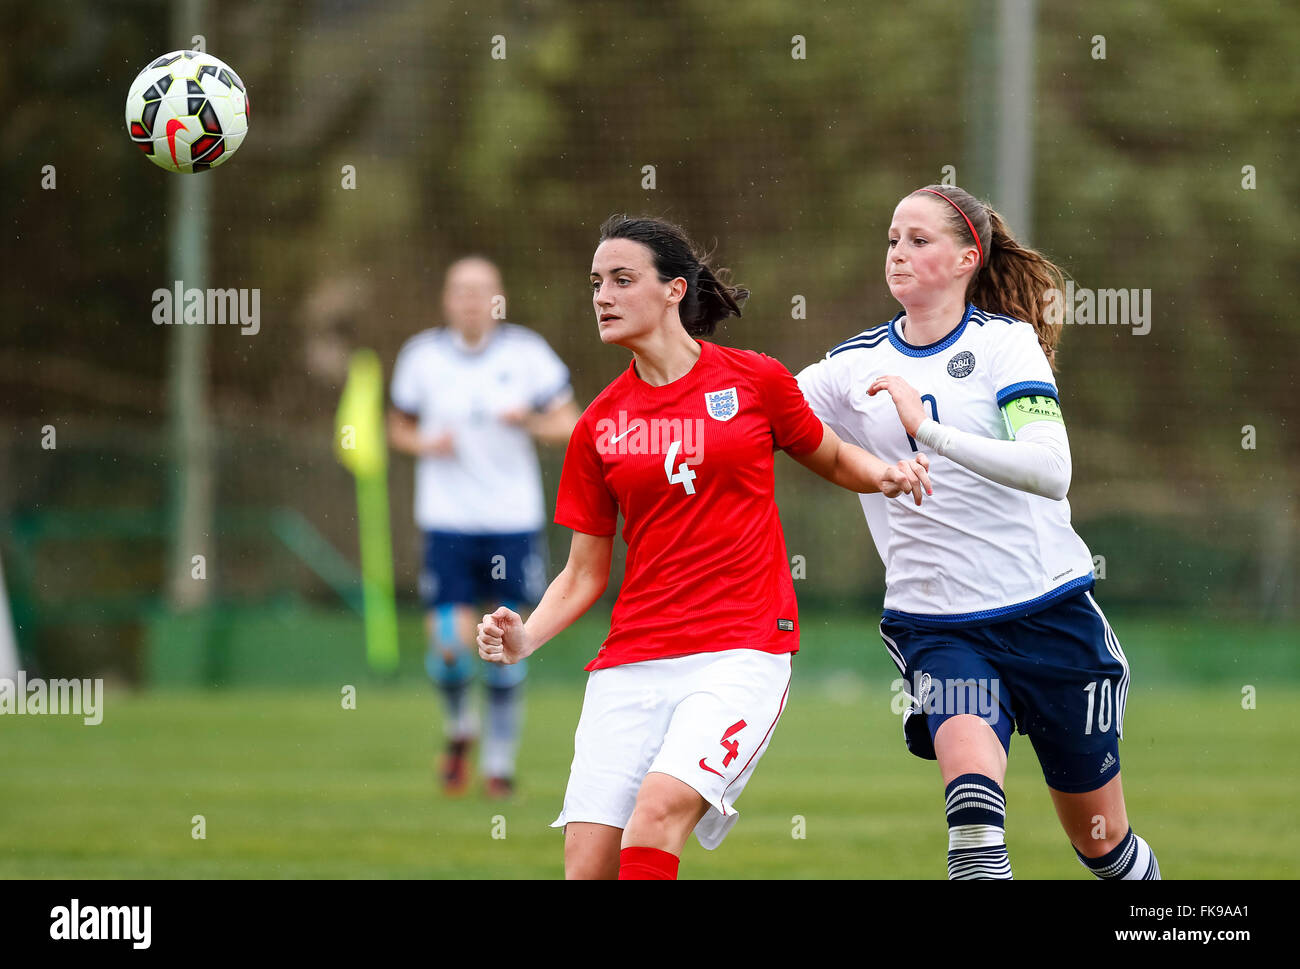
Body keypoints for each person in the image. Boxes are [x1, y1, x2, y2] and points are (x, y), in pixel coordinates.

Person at [476, 215, 932, 879]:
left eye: (622, 279)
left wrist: (882, 473)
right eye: (596, 281)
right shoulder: (597, 425)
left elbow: (830, 454)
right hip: (632, 658)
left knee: (658, 810)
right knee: (587, 863)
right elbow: (582, 573)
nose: (602, 294)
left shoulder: (754, 381)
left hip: (740, 651)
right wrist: (525, 639)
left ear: (673, 290)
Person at [796, 184, 1159, 880]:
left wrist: (925, 431)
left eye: (918, 239)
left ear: (967, 257)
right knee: (972, 821)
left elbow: (1053, 469)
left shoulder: (1006, 345)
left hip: (1050, 614)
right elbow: (760, 414)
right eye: (892, 238)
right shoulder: (849, 366)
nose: (898, 252)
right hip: (939, 626)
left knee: (1102, 845)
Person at [388, 256, 579, 797]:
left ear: (499, 298)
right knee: (449, 645)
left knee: (502, 644)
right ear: (447, 299)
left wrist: (531, 420)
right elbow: (396, 428)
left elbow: (571, 423)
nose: (472, 301)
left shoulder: (528, 354)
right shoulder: (421, 357)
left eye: (482, 291)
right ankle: (459, 730)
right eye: (461, 291)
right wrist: (425, 443)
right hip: (447, 523)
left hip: (510, 524)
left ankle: (498, 767)